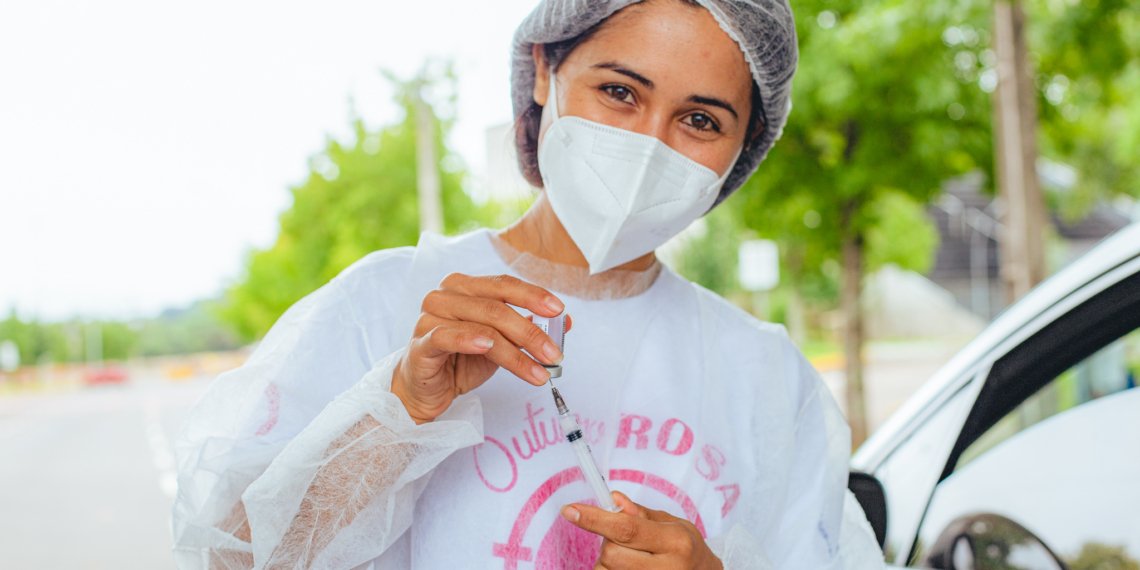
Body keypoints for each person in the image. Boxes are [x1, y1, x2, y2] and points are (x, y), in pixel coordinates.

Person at [171, 0, 885, 568]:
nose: (648, 145)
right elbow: (235, 560)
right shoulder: (389, 303)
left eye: (699, 119)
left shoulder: (763, 375)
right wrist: (397, 412)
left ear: (743, 148)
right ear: (544, 70)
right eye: (619, 92)